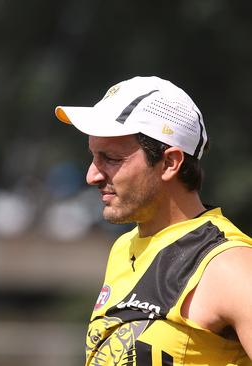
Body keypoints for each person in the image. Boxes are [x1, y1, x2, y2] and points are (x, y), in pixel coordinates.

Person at [55, 76, 252, 365]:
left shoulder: (229, 265)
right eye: (93, 157)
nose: (92, 176)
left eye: (110, 158)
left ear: (170, 162)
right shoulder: (124, 248)